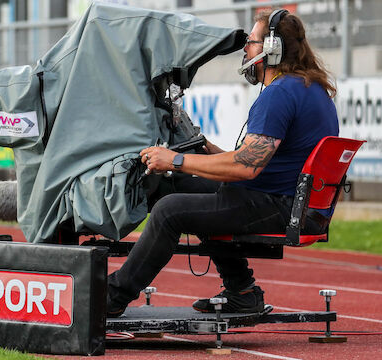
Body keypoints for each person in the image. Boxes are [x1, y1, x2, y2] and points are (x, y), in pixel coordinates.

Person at [106, 8, 340, 317]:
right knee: (175, 185)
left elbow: (246, 167)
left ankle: (111, 297)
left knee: (169, 210)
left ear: (272, 49)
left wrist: (176, 158)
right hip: (288, 199)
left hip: (278, 205)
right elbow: (262, 161)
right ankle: (241, 291)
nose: (246, 49)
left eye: (252, 42)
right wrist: (210, 154)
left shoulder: (279, 94)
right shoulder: (310, 88)